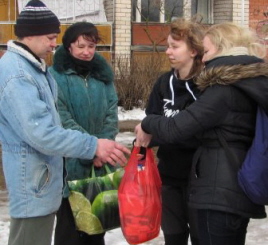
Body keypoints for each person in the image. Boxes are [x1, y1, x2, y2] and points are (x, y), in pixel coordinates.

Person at [0, 1, 130, 245]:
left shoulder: (34, 68)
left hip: (41, 181)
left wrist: (101, 142)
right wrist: (93, 146)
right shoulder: (18, 74)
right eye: (50, 37)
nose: (53, 43)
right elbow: (43, 133)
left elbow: (110, 110)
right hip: (34, 184)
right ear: (31, 34)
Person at [135, 22, 268, 245]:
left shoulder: (223, 90)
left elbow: (177, 128)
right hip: (225, 186)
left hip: (218, 190)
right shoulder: (247, 81)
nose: (204, 59)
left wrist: (148, 123)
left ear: (223, 48)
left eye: (206, 52)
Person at [49, 22, 118, 245]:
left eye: (91, 46)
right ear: (69, 46)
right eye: (81, 46)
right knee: (69, 229)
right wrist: (90, 147)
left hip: (98, 164)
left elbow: (111, 113)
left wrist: (103, 147)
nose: (87, 52)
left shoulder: (102, 76)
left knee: (96, 225)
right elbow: (61, 117)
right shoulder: (56, 76)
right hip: (69, 163)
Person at [142, 18, 204, 245]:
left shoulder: (207, 84)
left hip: (200, 179)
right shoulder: (163, 82)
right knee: (173, 237)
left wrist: (166, 130)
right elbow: (150, 122)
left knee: (201, 237)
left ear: (194, 50)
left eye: (175, 46)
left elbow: (199, 131)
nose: (168, 51)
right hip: (169, 175)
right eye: (168, 45)